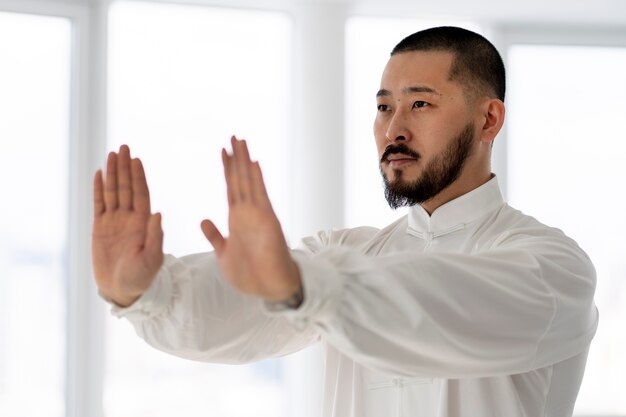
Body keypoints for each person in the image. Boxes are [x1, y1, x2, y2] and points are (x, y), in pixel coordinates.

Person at [92, 26, 598, 416]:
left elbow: (446, 305)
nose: (393, 129)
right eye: (384, 107)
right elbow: (237, 311)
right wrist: (144, 294)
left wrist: (304, 287)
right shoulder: (347, 254)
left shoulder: (552, 267)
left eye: (420, 103)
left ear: (488, 119)